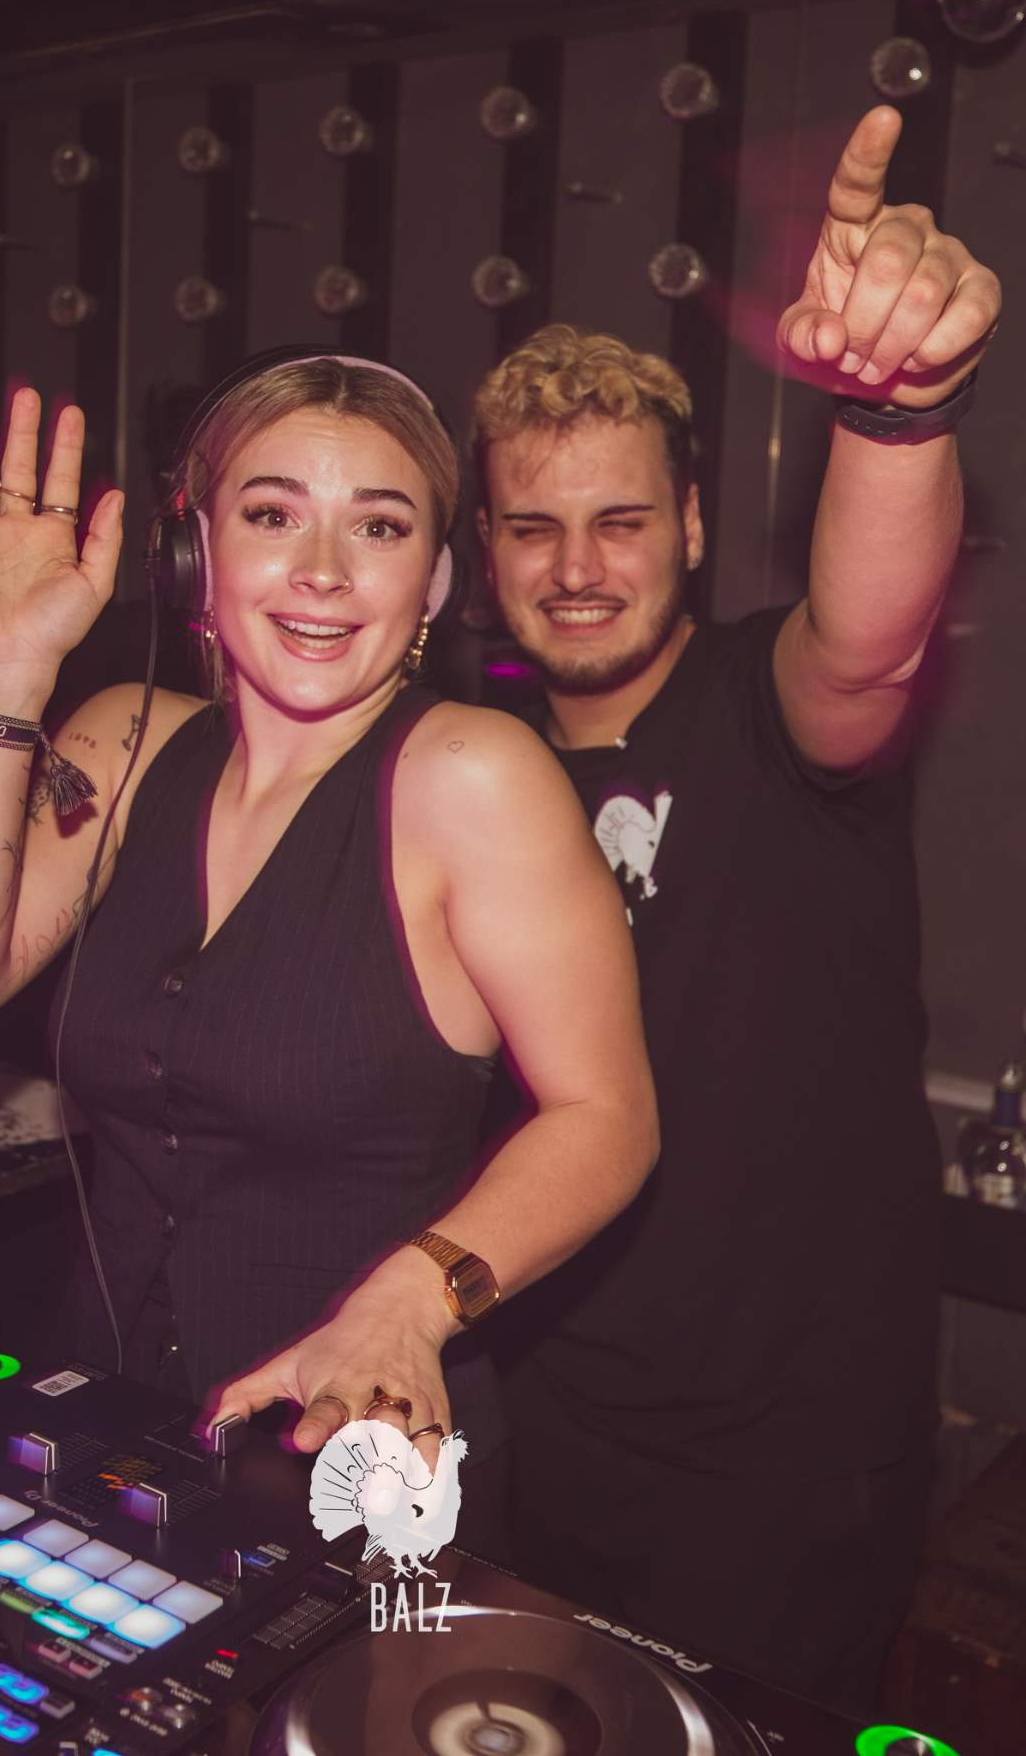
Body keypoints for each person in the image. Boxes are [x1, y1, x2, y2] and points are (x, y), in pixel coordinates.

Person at [0, 350, 658, 1520]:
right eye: (272, 515)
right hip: (98, 1422)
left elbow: (607, 1117)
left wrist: (411, 1300)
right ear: (194, 552)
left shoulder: (470, 777)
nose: (323, 569)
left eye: (378, 528)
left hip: (356, 1465)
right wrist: (3, 668)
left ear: (434, 581)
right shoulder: (124, 741)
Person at [473, 107, 1001, 1713]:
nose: (578, 565)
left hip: (786, 1467)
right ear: (487, 551)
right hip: (541, 1424)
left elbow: (873, 640)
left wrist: (896, 412)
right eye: (534, 526)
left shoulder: (771, 704)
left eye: (622, 520)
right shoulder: (466, 771)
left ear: (693, 528)